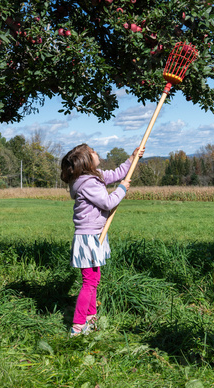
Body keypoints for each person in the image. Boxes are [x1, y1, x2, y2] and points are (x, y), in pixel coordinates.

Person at [60, 143, 144, 337]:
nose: (97, 153)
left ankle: (91, 318)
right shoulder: (88, 183)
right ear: (87, 161)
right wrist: (121, 189)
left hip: (95, 234)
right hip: (88, 237)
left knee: (93, 280)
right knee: (89, 282)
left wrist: (132, 159)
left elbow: (115, 174)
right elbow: (108, 202)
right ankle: (78, 326)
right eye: (93, 152)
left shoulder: (93, 176)